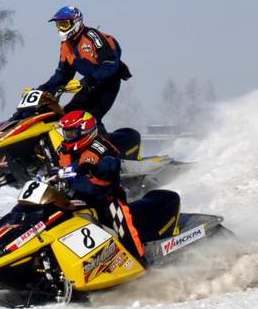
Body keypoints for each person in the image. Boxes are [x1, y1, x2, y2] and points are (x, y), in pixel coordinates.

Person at [54, 110, 180, 261]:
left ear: (85, 131)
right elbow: (59, 168)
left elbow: (111, 163)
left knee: (122, 225)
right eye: (66, 133)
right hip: (76, 200)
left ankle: (139, 260)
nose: (67, 137)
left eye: (70, 134)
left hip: (105, 199)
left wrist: (95, 167)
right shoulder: (64, 150)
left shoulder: (102, 147)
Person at [37, 6, 132, 129]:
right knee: (69, 114)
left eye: (64, 24)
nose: (61, 29)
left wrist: (87, 81)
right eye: (58, 25)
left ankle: (106, 146)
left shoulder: (92, 36)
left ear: (76, 22)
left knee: (90, 118)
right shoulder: (66, 44)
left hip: (108, 83)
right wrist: (41, 90)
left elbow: (110, 63)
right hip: (89, 85)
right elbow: (62, 74)